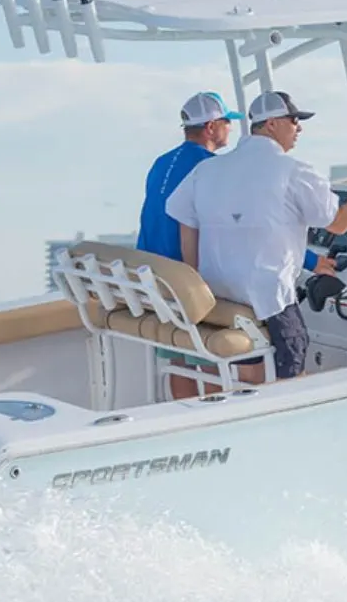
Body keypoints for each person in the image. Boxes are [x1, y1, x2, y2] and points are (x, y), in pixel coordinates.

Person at [165, 90, 347, 383]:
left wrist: (198, 276)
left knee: (241, 368)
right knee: (294, 355)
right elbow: (339, 223)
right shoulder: (294, 171)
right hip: (268, 297)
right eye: (294, 120)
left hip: (217, 296)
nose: (298, 127)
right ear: (272, 124)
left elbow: (183, 218)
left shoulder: (207, 169)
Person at [136, 91, 334, 399]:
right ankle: (221, 415)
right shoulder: (207, 166)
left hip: (157, 282)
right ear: (212, 126)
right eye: (227, 122)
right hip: (188, 284)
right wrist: (310, 261)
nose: (232, 128)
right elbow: (239, 226)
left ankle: (190, 417)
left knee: (180, 358)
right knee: (213, 363)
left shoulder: (161, 163)